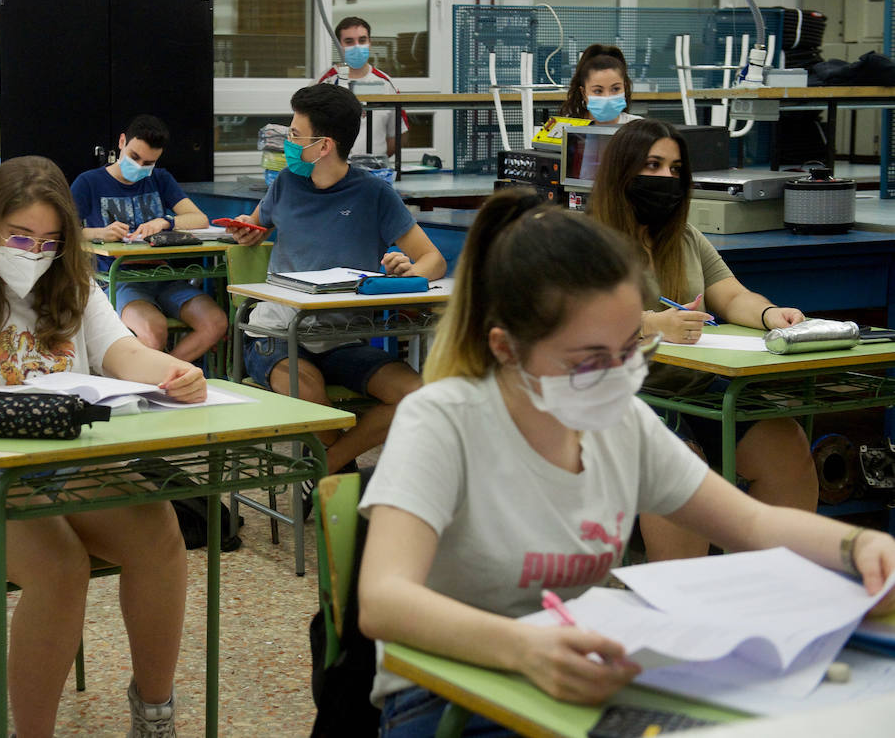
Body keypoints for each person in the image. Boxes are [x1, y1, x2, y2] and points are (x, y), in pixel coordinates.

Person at [356, 190, 895, 733]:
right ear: (506, 347)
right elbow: (383, 600)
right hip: (447, 693)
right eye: (590, 358)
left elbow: (751, 521)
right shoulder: (443, 421)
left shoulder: (617, 422)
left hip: (577, 678)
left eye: (630, 349)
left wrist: (859, 547)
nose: (616, 374)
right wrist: (524, 648)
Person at [0, 155, 203, 738]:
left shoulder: (74, 284)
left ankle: (154, 712)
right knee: (59, 565)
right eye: (19, 236)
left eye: (49, 240)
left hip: (62, 463)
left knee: (159, 532)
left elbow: (125, 354)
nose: (33, 252)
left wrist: (174, 373)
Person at [590, 119, 818, 560]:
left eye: (676, 169)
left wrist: (772, 315)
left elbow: (730, 295)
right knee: (683, 467)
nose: (666, 179)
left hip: (689, 385)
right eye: (653, 165)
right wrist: (653, 325)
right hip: (615, 394)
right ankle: (681, 606)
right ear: (621, 171)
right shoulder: (585, 239)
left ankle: (779, 591)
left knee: (784, 443)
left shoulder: (685, 236)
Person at [226, 83, 446, 475]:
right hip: (276, 334)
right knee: (308, 387)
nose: (288, 143)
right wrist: (246, 229)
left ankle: (327, 467)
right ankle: (342, 478)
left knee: (416, 397)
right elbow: (254, 226)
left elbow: (433, 259)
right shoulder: (286, 184)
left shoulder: (373, 194)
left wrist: (409, 275)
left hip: (342, 338)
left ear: (323, 145)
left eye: (295, 135)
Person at [70, 114, 227, 363]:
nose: (140, 167)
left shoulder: (160, 179)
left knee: (216, 322)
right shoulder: (89, 183)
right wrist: (100, 233)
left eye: (149, 162)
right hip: (116, 279)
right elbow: (63, 232)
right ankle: (157, 378)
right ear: (121, 142)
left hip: (163, 277)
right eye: (134, 157)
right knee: (154, 332)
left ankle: (166, 377)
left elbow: (199, 219)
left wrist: (166, 221)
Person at [317, 16, 408, 157]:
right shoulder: (325, 83)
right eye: (349, 41)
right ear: (338, 46)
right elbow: (310, 132)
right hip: (335, 173)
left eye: (362, 40)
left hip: (375, 170)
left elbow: (398, 134)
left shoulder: (386, 83)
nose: (357, 46)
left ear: (370, 43)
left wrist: (374, 160)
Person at [559, 44, 643, 127]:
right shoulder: (566, 128)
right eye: (598, 91)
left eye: (615, 89)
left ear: (624, 88)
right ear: (584, 93)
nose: (607, 97)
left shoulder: (640, 129)